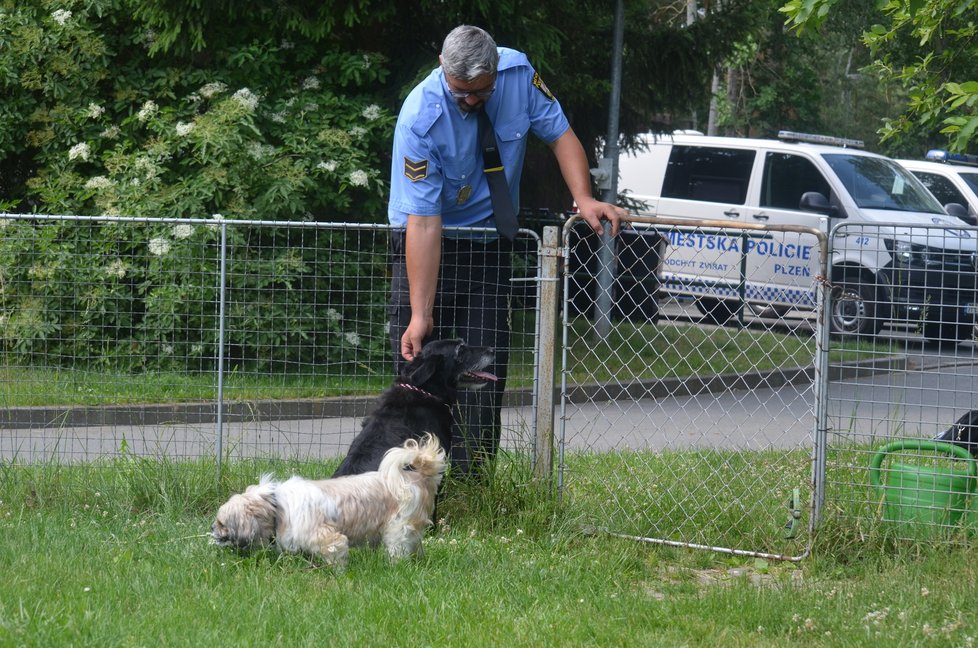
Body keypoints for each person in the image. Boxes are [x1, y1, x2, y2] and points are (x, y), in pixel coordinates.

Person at [388, 24, 624, 475]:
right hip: (425, 242)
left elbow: (560, 133)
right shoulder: (420, 117)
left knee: (484, 370)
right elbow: (423, 222)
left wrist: (586, 196)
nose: (473, 101)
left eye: (482, 91)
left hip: (489, 242)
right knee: (416, 377)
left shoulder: (517, 74)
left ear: (496, 73)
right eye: (462, 93)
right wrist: (421, 314)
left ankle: (475, 485)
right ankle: (404, 492)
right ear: (442, 66)